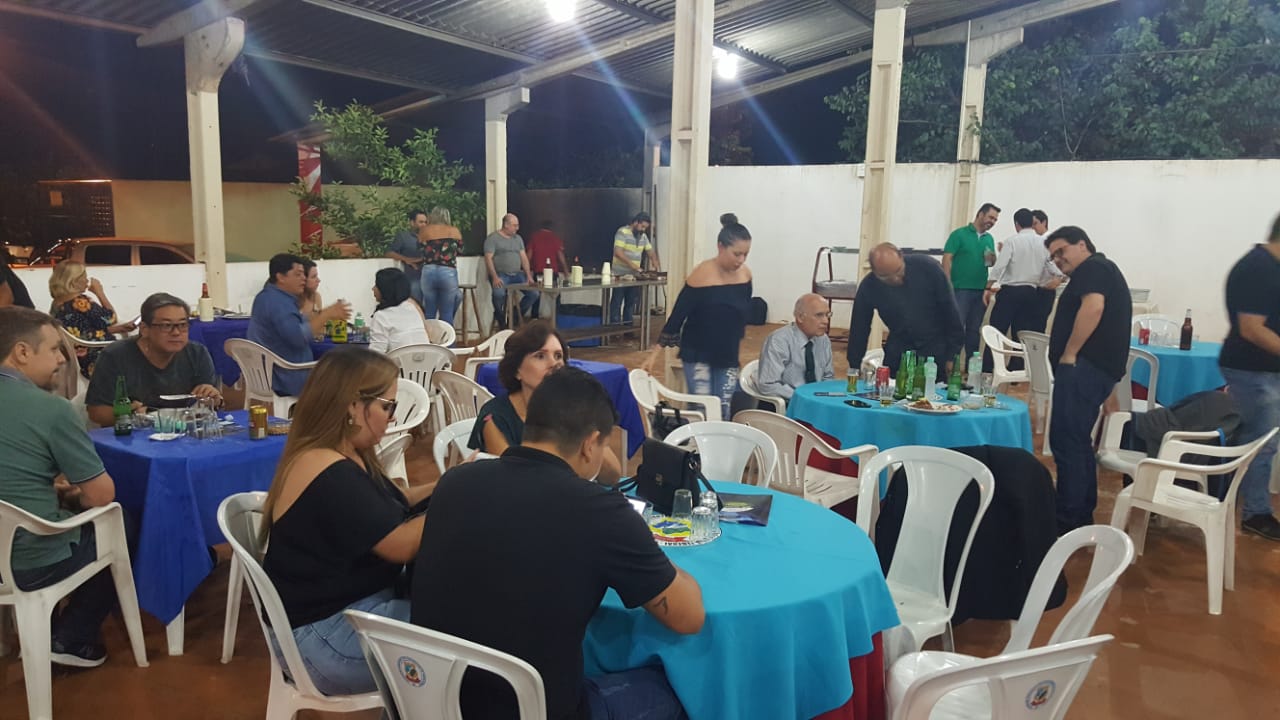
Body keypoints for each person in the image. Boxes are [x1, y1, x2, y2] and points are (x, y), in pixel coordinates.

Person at [413, 366, 704, 720]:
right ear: (590, 444)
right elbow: (689, 617)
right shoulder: (599, 510)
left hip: (431, 699)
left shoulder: (455, 482)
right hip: (536, 710)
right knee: (683, 688)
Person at [259, 348, 432, 695]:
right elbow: (399, 544)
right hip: (323, 638)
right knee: (462, 635)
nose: (392, 418)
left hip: (342, 610)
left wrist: (450, 482)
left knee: (456, 614)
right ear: (353, 406)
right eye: (388, 406)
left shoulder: (344, 454)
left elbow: (394, 501)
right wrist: (461, 499)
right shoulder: (327, 469)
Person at [0, 307, 121, 667]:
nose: (62, 360)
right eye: (54, 349)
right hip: (27, 561)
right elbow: (101, 496)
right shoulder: (51, 410)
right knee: (122, 523)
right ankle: (71, 637)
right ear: (22, 352)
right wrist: (69, 494)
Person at [1044, 226, 1131, 535]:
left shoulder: (1093, 268)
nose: (1058, 260)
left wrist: (1070, 353)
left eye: (1061, 251)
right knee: (1077, 441)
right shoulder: (1100, 270)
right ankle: (1079, 514)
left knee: (1068, 441)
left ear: (1082, 244)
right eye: (1053, 256)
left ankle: (1068, 519)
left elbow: (1094, 308)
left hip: (1082, 368)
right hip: (1090, 370)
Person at [467, 321, 622, 485]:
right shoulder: (496, 417)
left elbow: (612, 476)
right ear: (517, 370)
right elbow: (518, 480)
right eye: (540, 356)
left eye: (558, 356)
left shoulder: (572, 408)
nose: (554, 364)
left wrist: (587, 422)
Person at [641, 221, 752, 421]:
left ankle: (719, 442)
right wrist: (654, 354)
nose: (741, 260)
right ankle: (696, 440)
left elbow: (740, 317)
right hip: (698, 351)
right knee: (702, 407)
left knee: (723, 407)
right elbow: (678, 315)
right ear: (720, 247)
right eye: (736, 254)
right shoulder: (702, 274)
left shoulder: (745, 275)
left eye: (745, 254)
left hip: (727, 353)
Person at [1218, 213, 1280, 540]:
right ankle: (1256, 513)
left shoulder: (1270, 267)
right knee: (1261, 444)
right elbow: (1252, 329)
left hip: (1264, 370)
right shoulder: (1258, 269)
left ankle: (1232, 501)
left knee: (1254, 440)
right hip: (1252, 370)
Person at [84, 293, 219, 426]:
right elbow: (96, 412)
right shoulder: (115, 356)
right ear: (144, 329)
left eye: (183, 325)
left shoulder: (197, 353)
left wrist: (213, 398)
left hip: (182, 429)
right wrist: (129, 413)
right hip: (133, 433)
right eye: (166, 325)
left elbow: (211, 406)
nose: (176, 332)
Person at [846, 243, 964, 381]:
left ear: (901, 256)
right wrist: (854, 366)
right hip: (899, 350)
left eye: (898, 271)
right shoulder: (869, 286)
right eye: (887, 277)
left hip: (936, 349)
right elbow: (859, 328)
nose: (896, 279)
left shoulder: (928, 268)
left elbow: (951, 311)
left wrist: (952, 355)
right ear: (875, 273)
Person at [247, 253, 351, 396]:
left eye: (303, 274)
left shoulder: (266, 297)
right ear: (281, 277)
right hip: (288, 376)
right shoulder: (279, 303)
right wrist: (326, 315)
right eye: (298, 274)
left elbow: (292, 322)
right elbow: (298, 338)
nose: (303, 278)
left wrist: (321, 314)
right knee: (345, 377)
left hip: (269, 373)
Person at [983, 208, 1065, 371]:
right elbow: (1053, 267)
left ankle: (988, 369)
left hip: (1010, 292)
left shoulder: (1012, 241)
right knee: (1021, 335)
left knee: (996, 331)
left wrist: (988, 285)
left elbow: (1000, 267)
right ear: (1032, 223)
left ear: (1017, 224)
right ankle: (1018, 370)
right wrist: (1059, 277)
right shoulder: (1043, 244)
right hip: (1031, 293)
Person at [48, 260, 137, 378]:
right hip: (97, 357)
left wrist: (119, 329)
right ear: (74, 281)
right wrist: (99, 292)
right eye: (84, 277)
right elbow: (110, 318)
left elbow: (84, 332)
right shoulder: (80, 302)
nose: (87, 281)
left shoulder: (57, 303)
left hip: (79, 358)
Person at [944, 203, 1000, 357]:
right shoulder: (959, 234)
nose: (992, 222)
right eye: (990, 217)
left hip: (980, 291)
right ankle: (950, 363)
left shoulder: (989, 238)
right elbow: (947, 258)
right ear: (980, 214)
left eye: (995, 220)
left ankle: (972, 366)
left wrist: (993, 256)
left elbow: (990, 263)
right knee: (956, 328)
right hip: (959, 289)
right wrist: (947, 283)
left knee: (974, 331)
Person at [756, 293, 835, 401]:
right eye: (819, 315)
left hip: (815, 401)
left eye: (827, 315)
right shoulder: (779, 340)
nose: (826, 321)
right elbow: (768, 384)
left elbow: (828, 376)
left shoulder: (823, 340)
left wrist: (821, 397)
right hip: (789, 403)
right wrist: (803, 398)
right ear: (800, 317)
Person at [484, 213, 535, 329]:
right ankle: (500, 317)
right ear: (506, 225)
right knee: (499, 294)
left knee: (534, 294)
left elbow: (524, 258)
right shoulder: (493, 238)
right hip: (500, 274)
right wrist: (495, 277)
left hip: (517, 274)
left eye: (517, 225)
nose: (517, 228)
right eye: (514, 225)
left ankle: (515, 316)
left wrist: (528, 276)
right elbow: (488, 259)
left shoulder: (518, 239)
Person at [610, 212, 660, 325]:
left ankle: (628, 328)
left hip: (634, 276)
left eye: (645, 228)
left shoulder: (643, 236)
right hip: (620, 275)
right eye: (642, 226)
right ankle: (614, 328)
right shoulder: (622, 232)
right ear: (636, 222)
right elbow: (618, 252)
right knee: (617, 302)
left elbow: (650, 251)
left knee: (630, 303)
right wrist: (633, 265)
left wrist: (654, 261)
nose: (643, 230)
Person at [368, 268, 429, 354]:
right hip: (426, 359)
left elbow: (376, 353)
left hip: (398, 362)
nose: (373, 289)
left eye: (376, 285)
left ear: (385, 289)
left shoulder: (381, 316)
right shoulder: (411, 307)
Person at [419, 206, 463, 323]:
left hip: (428, 270)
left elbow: (419, 249)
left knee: (429, 311)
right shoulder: (454, 231)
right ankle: (447, 334)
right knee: (447, 312)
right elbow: (460, 250)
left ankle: (429, 335)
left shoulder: (425, 231)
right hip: (448, 271)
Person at [526, 219, 568, 318]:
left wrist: (526, 270)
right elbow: (560, 256)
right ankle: (558, 316)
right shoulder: (555, 238)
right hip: (553, 271)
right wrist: (565, 270)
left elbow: (528, 255)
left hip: (538, 271)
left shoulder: (534, 237)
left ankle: (534, 317)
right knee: (556, 294)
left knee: (536, 294)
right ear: (552, 228)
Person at [385, 209, 429, 302]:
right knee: (415, 290)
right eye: (421, 222)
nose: (424, 225)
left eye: (425, 222)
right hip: (413, 277)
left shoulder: (431, 237)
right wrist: (406, 259)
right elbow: (389, 253)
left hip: (430, 277)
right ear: (412, 223)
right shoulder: (403, 236)